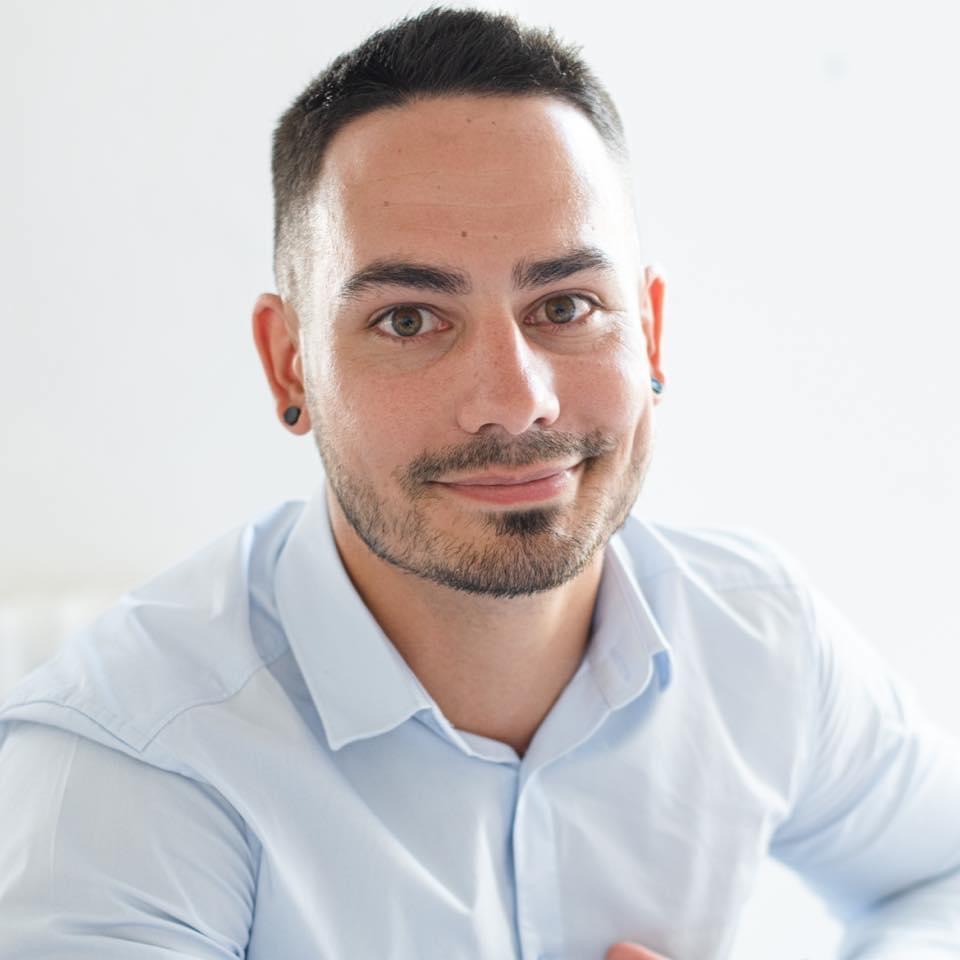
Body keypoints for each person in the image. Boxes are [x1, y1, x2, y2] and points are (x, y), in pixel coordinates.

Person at [1, 6, 958, 959]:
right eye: (409, 320)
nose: (514, 401)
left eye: (566, 306)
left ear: (651, 333)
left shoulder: (758, 636)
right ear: (290, 366)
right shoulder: (127, 763)